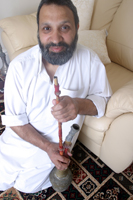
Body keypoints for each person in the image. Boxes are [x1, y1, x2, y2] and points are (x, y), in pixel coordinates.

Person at [0, 0, 112, 193]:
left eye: (65, 27)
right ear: (38, 30)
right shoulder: (19, 67)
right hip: (17, 145)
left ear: (77, 27)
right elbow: (15, 121)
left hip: (54, 154)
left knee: (30, 187)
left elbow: (102, 100)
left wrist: (78, 105)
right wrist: (46, 147)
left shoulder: (90, 61)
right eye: (47, 28)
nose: (55, 38)